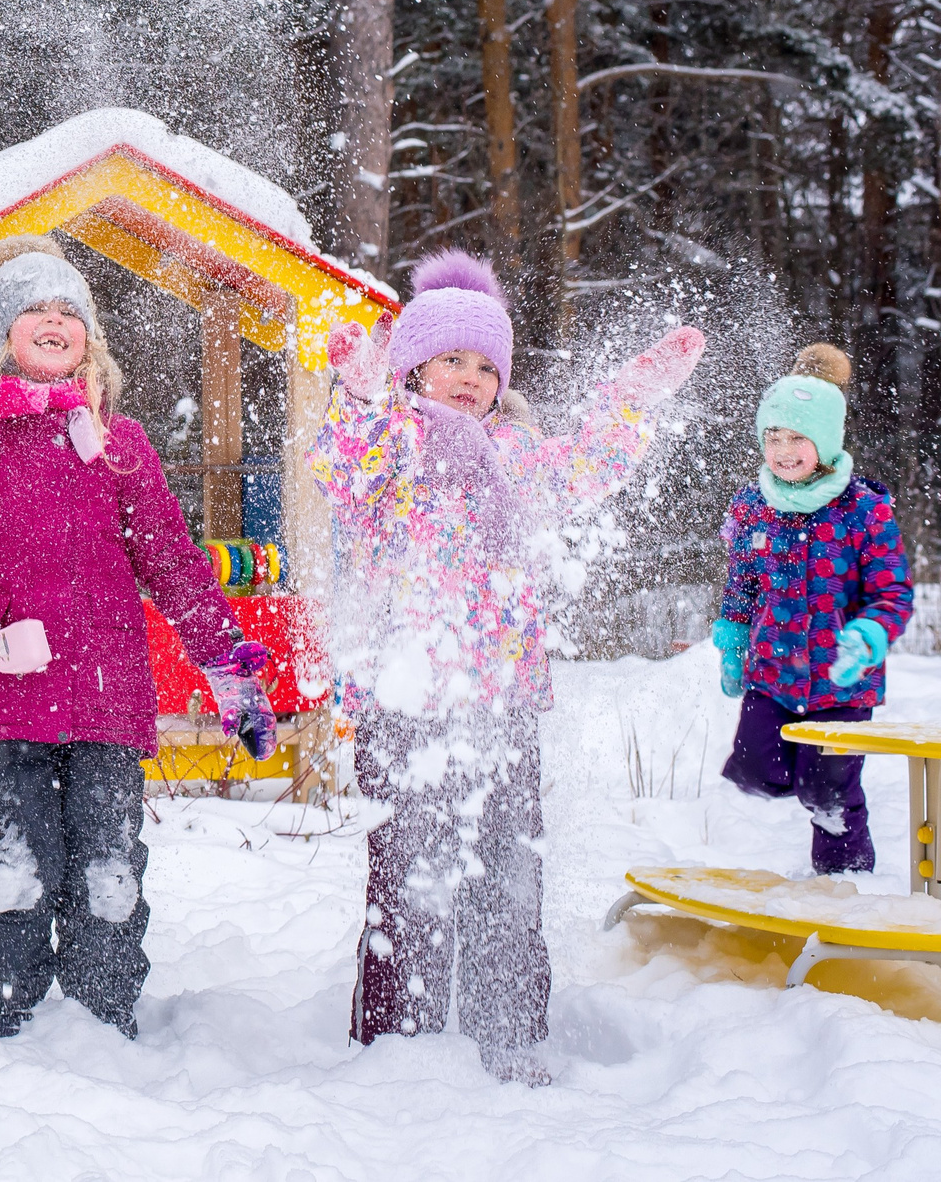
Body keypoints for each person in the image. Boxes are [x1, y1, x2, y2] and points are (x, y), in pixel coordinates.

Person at [311, 250, 704, 1084]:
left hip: (502, 705)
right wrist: (357, 391)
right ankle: (398, 1048)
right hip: (408, 708)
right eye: (452, 359)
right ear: (415, 365)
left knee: (507, 881)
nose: (470, 378)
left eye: (487, 365)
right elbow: (344, 468)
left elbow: (588, 468)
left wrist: (629, 403)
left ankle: (511, 1032)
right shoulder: (397, 441)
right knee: (410, 883)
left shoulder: (516, 456)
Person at [0, 234, 270, 1042]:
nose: (54, 320)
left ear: (90, 338)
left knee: (109, 871)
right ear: (3, 335)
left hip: (106, 699)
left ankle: (105, 1022)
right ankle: (11, 1020)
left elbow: (173, 561)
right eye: (34, 307)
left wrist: (228, 669)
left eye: (70, 309)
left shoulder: (119, 443)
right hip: (5, 702)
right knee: (11, 869)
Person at [713, 344, 912, 874]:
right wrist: (733, 639)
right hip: (773, 672)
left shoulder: (864, 509)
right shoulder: (752, 504)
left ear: (824, 441)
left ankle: (844, 882)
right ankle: (797, 782)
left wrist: (869, 634)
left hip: (843, 679)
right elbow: (743, 581)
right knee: (753, 769)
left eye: (797, 437)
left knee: (828, 794)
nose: (782, 450)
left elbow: (893, 592)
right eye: (771, 438)